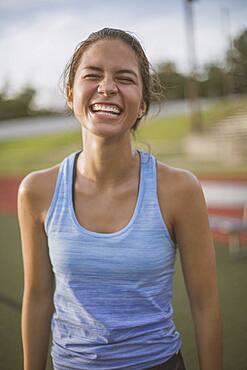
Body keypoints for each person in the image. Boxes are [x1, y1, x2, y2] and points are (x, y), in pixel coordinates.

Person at [18, 28, 223, 370]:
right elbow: (38, 299)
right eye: (93, 75)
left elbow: (205, 304)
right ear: (71, 94)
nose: (107, 87)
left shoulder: (179, 190)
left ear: (142, 102)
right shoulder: (36, 191)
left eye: (124, 78)